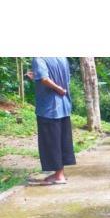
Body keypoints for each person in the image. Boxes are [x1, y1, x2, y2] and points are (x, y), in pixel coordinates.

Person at [27, 57, 76, 185]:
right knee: (61, 141)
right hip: (64, 105)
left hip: (49, 108)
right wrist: (36, 77)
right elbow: (64, 78)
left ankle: (59, 176)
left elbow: (44, 79)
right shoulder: (62, 57)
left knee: (51, 142)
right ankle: (60, 174)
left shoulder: (39, 58)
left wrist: (58, 89)